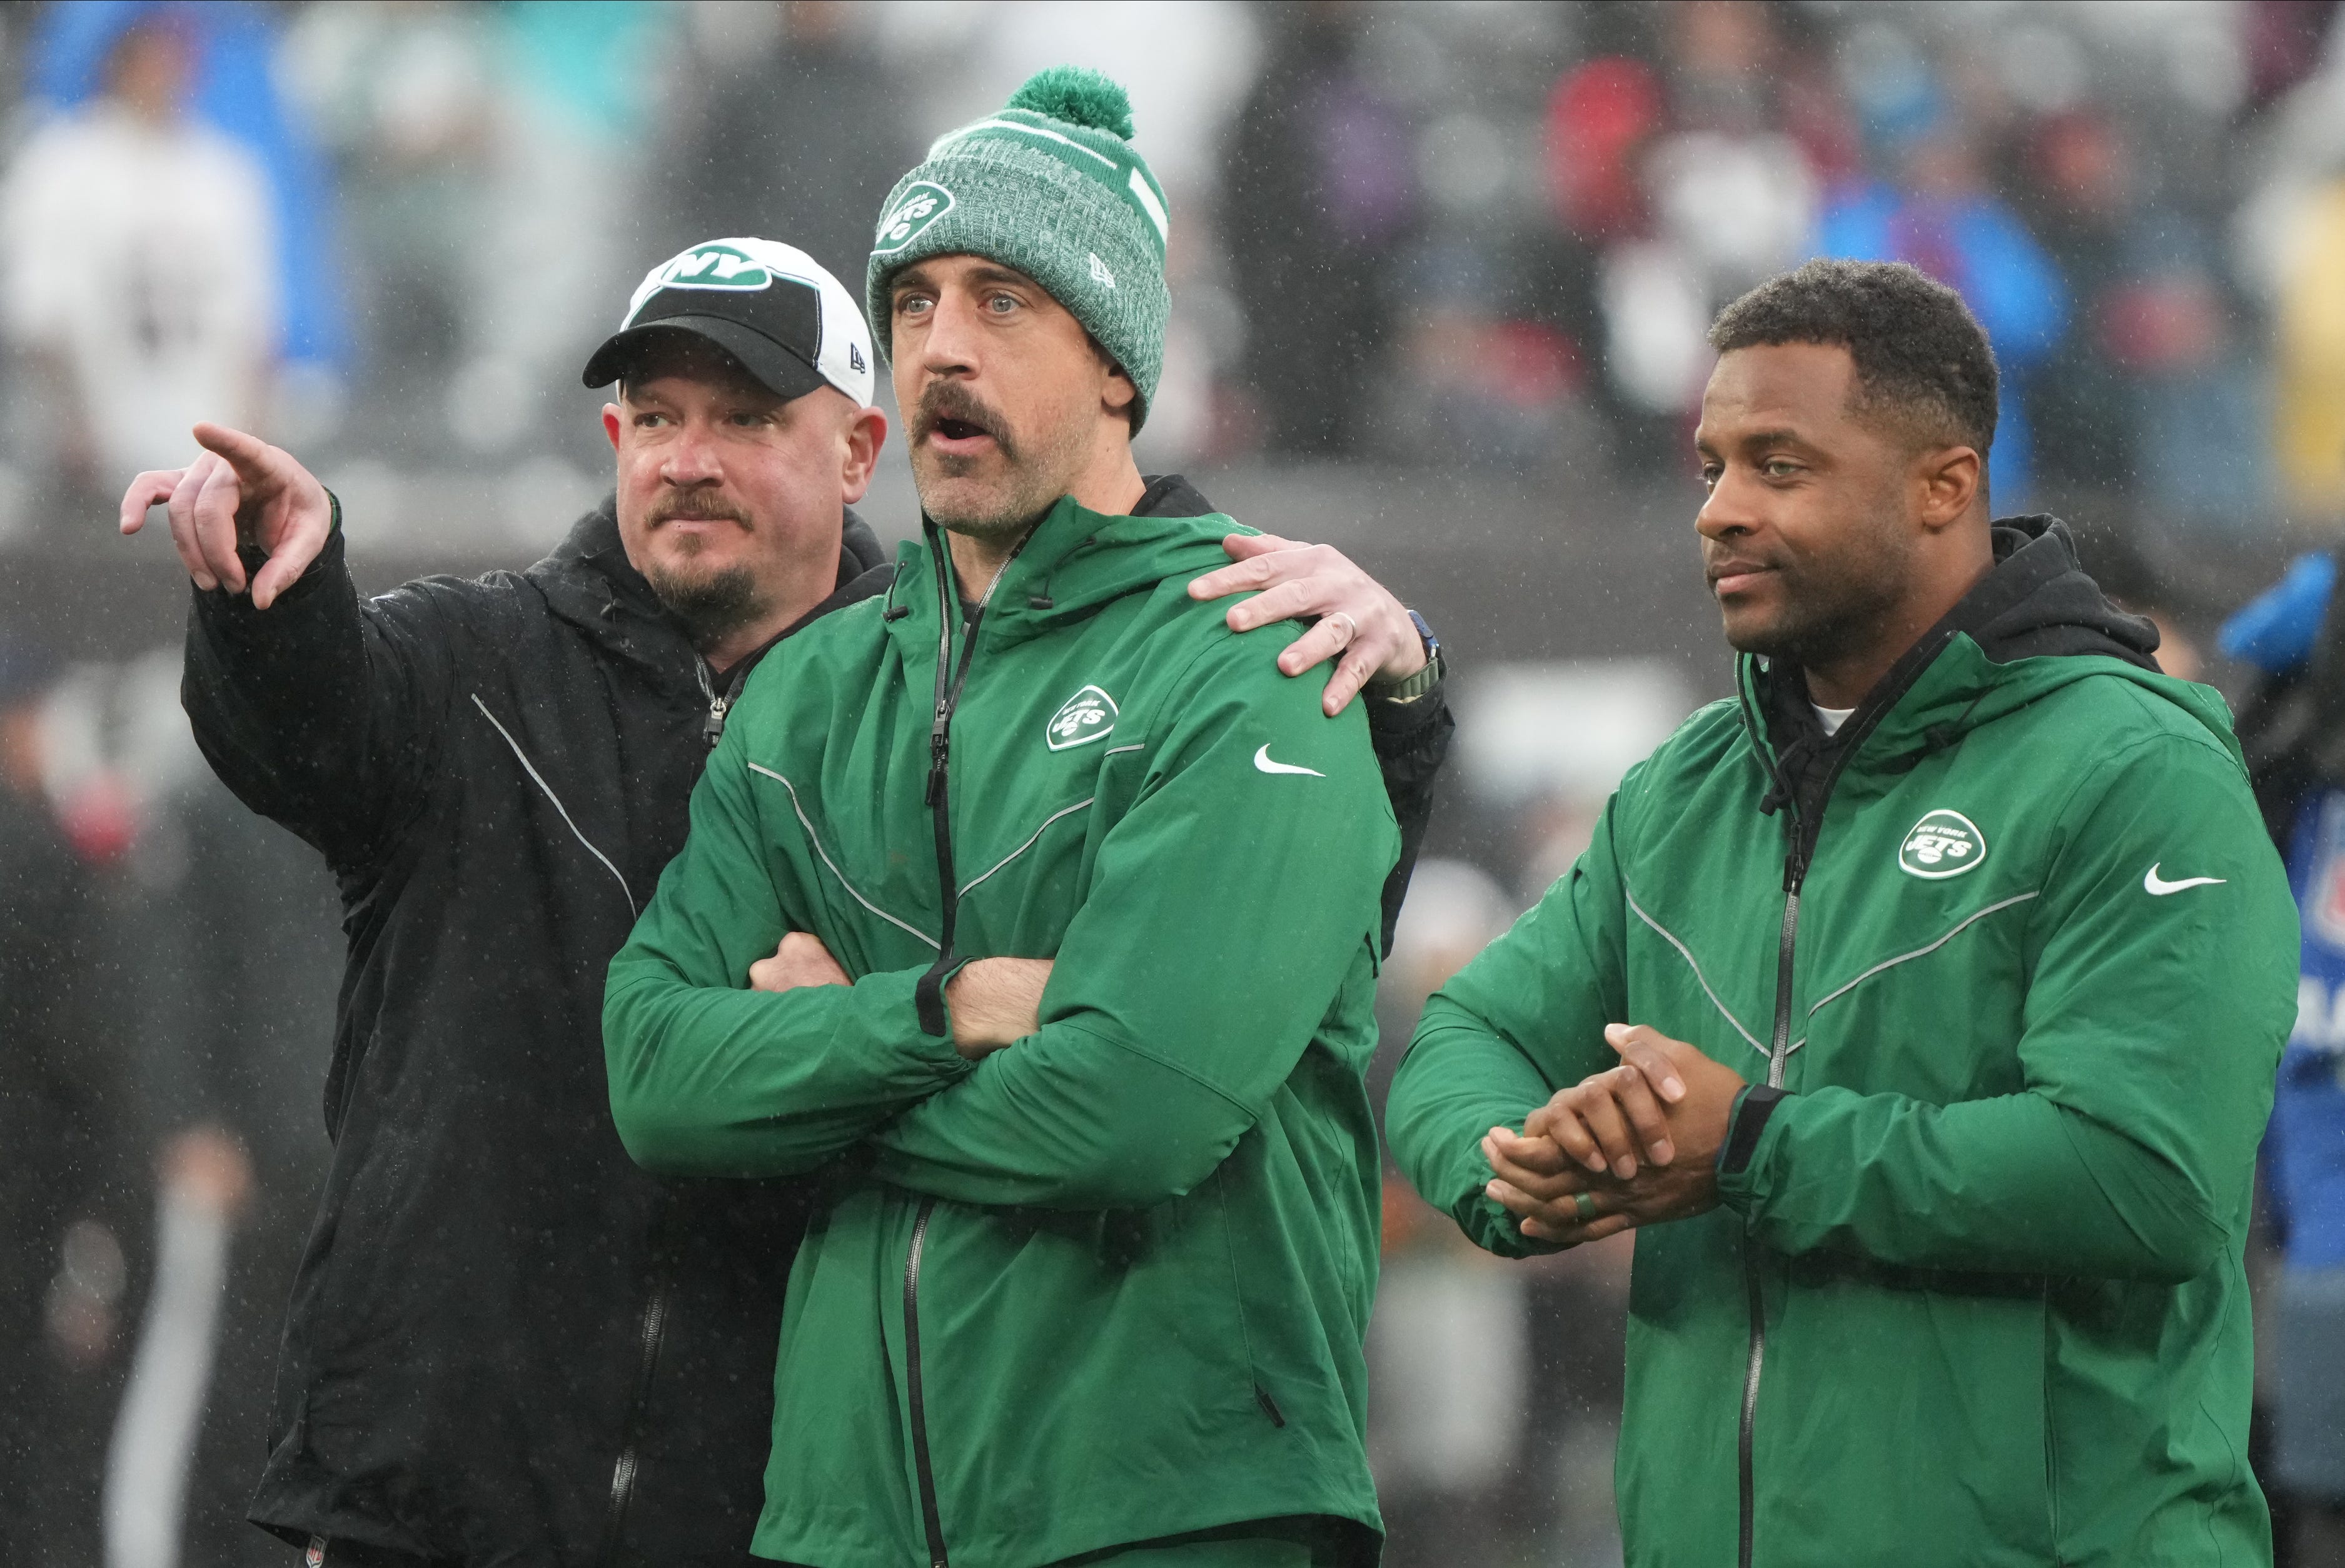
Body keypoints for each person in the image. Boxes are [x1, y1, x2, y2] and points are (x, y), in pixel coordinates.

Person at [118, 226, 1446, 1564]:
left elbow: (1205, 1000)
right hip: (438, 1489)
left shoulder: (938, 714)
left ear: (860, 452)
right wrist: (267, 610)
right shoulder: (475, 663)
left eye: (745, 418)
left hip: (764, 1494)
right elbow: (307, 730)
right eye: (655, 418)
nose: (687, 459)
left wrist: (1394, 713)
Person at [604, 68, 1436, 1567]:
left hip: (1170, 1511)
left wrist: (819, 1090)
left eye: (1001, 303)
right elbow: (657, 1075)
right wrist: (944, 1010)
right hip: (844, 1521)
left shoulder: (1257, 656)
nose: (939, 350)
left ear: (1117, 363)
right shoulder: (812, 690)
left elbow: (1131, 1114)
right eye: (912, 302)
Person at [1386, 258, 2296, 1568]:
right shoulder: (1688, 786)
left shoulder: (2136, 767)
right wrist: (1519, 1164)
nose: (1718, 510)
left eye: (1779, 465)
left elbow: (2147, 1178)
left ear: (1945, 488)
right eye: (1710, 467)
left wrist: (1750, 1148)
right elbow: (1473, 1026)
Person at [2, 8, 278, 504]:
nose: (168, 69)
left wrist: (250, 443)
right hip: (93, 453)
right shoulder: (62, 163)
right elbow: (41, 314)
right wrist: (73, 423)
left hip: (199, 446)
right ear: (118, 59)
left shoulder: (228, 173)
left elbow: (249, 325)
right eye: (153, 52)